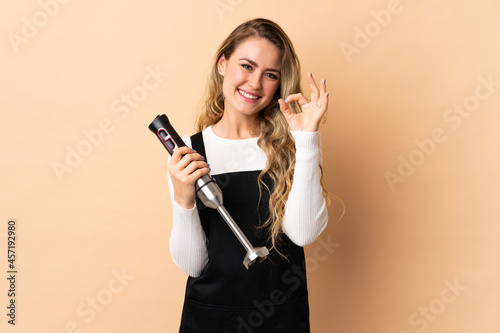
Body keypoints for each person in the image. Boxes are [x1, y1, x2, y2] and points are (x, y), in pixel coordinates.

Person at [167, 17, 333, 333]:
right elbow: (192, 265)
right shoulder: (187, 152)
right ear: (222, 64)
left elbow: (303, 234)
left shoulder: (294, 142)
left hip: (282, 319)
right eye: (246, 66)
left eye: (270, 74)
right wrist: (183, 199)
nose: (255, 83)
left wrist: (308, 141)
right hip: (210, 319)